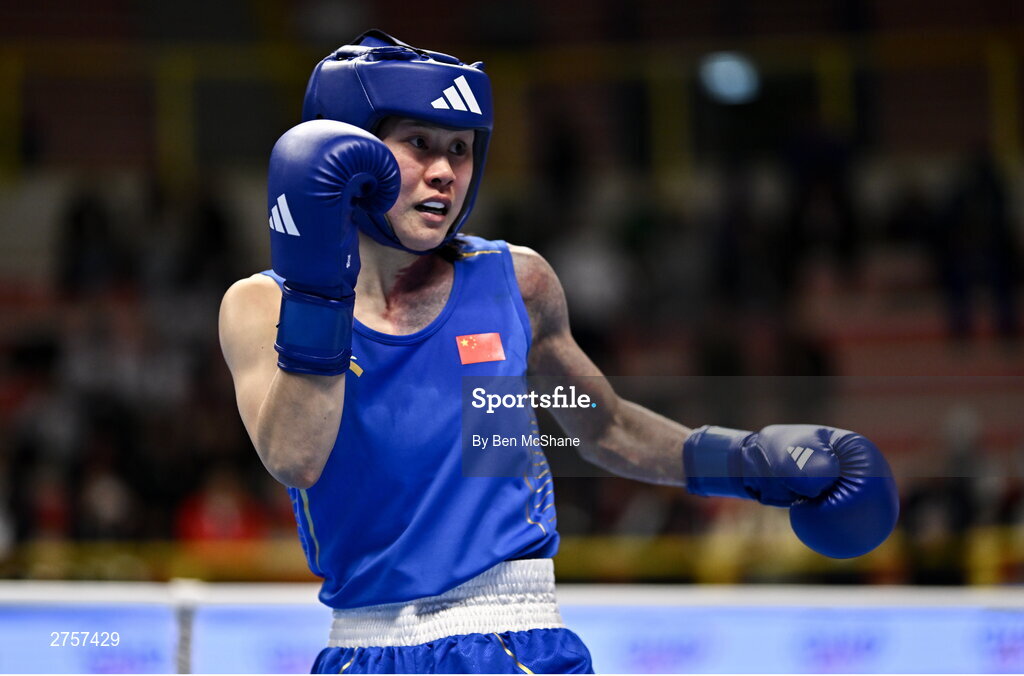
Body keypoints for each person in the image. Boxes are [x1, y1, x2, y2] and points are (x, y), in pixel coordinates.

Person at [218, 30, 900, 674]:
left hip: (509, 635)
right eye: (417, 143)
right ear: (350, 151)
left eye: (459, 149)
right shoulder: (261, 307)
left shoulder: (516, 283)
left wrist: (747, 463)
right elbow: (297, 458)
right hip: (361, 646)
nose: (443, 172)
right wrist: (320, 290)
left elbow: (601, 424)